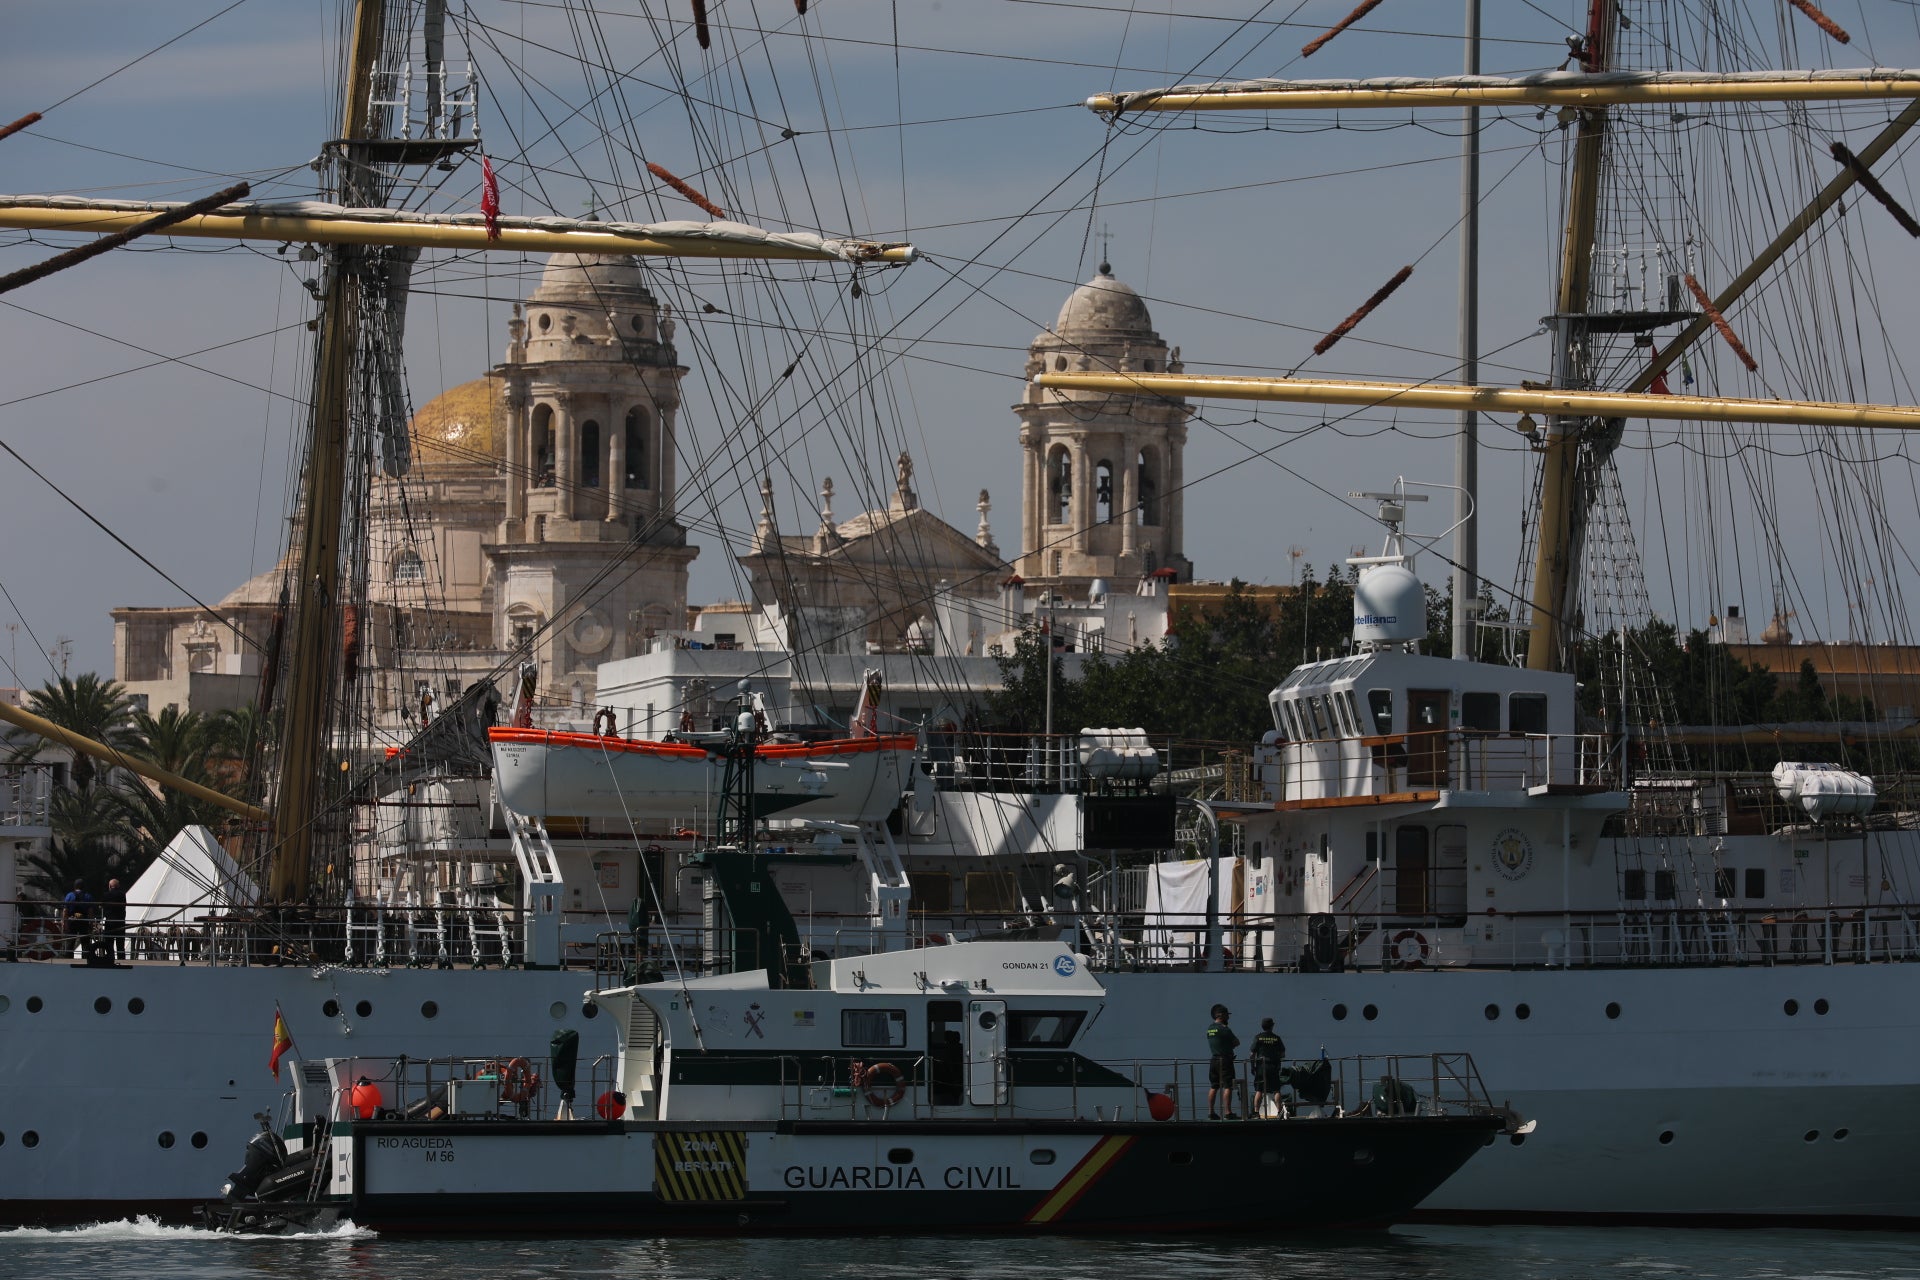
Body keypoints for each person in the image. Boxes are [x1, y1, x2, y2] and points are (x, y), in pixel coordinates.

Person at [1205, 1003, 1240, 1120]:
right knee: (1228, 1086)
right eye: (1226, 1015)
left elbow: (1217, 1042)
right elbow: (1236, 1042)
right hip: (1225, 1060)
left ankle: (1211, 1112)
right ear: (1220, 1015)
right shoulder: (1224, 1029)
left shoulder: (1209, 1028)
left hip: (1214, 1060)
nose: (1228, 1017)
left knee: (1214, 1086)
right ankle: (1228, 1112)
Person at [1250, 1017, 1287, 1118]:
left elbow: (1252, 1054)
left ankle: (1256, 1112)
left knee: (1259, 1090)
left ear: (1262, 1026)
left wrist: (1252, 1066)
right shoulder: (1277, 1038)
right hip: (1273, 1066)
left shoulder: (1258, 1037)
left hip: (1261, 1067)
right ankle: (1280, 1111)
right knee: (1276, 1090)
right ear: (1272, 1026)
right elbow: (1283, 1054)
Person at [101, 877, 129, 961]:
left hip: (109, 922)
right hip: (120, 921)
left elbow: (102, 905)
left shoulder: (106, 895)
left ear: (110, 886)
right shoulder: (122, 894)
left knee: (109, 943)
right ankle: (121, 960)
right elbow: (124, 904)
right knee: (120, 943)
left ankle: (109, 959)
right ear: (118, 886)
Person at [61, 880, 92, 948]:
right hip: (83, 921)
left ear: (74, 886)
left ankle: (69, 956)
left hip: (72, 921)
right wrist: (90, 923)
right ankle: (85, 957)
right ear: (83, 887)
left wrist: (64, 922)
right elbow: (90, 911)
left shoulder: (69, 895)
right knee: (85, 943)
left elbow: (65, 910)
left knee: (70, 942)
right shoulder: (88, 896)